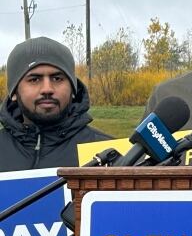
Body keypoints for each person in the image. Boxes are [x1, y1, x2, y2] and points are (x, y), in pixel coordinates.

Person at [0, 37, 111, 171]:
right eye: (34, 79)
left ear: (73, 89)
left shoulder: (107, 152)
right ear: (14, 92)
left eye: (57, 78)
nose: (47, 89)